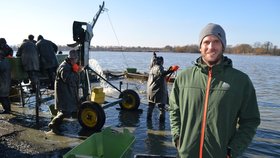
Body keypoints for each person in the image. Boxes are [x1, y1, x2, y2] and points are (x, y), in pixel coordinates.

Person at [169, 23, 261, 158]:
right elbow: (174, 110)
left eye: (216, 41)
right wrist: (178, 138)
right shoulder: (183, 78)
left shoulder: (241, 81)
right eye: (206, 42)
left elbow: (250, 121)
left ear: (223, 45)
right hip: (186, 154)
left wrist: (233, 151)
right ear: (200, 46)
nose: (211, 47)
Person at [48, 49, 81, 133]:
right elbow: (67, 79)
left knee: (65, 109)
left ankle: (56, 118)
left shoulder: (69, 65)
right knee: (65, 111)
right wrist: (76, 71)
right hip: (64, 92)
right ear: (71, 59)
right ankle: (53, 124)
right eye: (76, 59)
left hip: (68, 91)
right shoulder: (64, 66)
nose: (76, 61)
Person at [147, 52, 178, 122]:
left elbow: (155, 61)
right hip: (158, 91)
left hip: (150, 90)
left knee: (151, 106)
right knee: (162, 107)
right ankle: (162, 124)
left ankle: (148, 121)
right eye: (163, 62)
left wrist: (154, 55)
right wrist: (172, 70)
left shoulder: (152, 67)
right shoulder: (159, 67)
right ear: (161, 62)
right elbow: (162, 73)